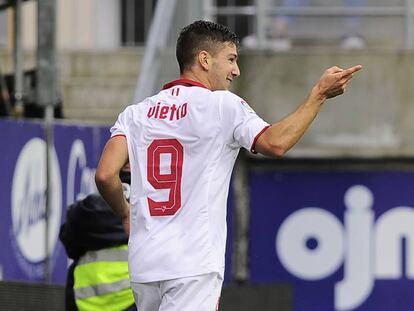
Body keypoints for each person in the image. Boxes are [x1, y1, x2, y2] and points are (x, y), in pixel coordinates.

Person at [95, 20, 362, 311]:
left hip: (145, 263)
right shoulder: (222, 105)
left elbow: (106, 174)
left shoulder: (136, 114)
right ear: (204, 59)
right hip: (193, 263)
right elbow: (276, 143)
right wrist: (318, 95)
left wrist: (125, 214)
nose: (236, 70)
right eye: (231, 59)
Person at [59, 167, 136, 311]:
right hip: (133, 299)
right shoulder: (153, 205)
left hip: (84, 300)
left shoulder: (89, 208)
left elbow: (68, 240)